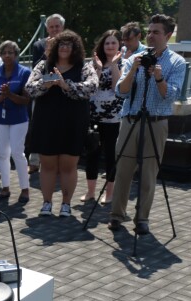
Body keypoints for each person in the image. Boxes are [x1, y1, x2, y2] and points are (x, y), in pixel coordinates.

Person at [109, 14, 186, 235]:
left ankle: (142, 218)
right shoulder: (135, 58)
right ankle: (116, 215)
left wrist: (159, 78)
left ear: (168, 35)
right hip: (130, 119)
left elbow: (170, 97)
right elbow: (120, 92)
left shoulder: (177, 63)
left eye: (156, 32)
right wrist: (133, 69)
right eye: (149, 31)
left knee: (148, 173)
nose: (151, 36)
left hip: (156, 122)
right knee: (123, 170)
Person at [25, 30, 97, 218]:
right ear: (56, 46)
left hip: (73, 123)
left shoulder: (84, 66)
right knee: (47, 165)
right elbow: (29, 88)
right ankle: (46, 203)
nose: (65, 47)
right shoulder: (43, 65)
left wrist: (66, 85)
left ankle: (66, 204)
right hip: (46, 122)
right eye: (62, 44)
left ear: (75, 48)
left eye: (69, 44)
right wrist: (47, 83)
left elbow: (91, 86)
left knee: (68, 166)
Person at [0, 41, 31, 203]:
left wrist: (9, 95)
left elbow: (26, 100)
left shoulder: (25, 73)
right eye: (4, 52)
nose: (7, 55)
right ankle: (5, 188)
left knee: (18, 153)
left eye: (10, 52)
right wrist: (0, 97)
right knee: (3, 154)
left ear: (16, 55)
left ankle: (25, 189)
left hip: (18, 119)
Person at [82, 30, 123, 204]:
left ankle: (109, 193)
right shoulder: (92, 64)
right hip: (94, 115)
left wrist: (113, 65)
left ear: (119, 45)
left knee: (111, 154)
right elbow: (92, 87)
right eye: (107, 43)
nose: (110, 46)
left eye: (113, 43)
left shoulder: (125, 63)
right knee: (92, 153)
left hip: (113, 117)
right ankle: (91, 191)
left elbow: (117, 88)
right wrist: (99, 68)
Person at [28, 13, 65, 174]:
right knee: (38, 125)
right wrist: (47, 52)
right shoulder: (38, 45)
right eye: (51, 27)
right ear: (47, 29)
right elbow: (36, 69)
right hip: (43, 91)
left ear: (62, 27)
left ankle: (59, 161)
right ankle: (34, 161)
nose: (55, 29)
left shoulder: (69, 44)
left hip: (63, 91)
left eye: (57, 26)